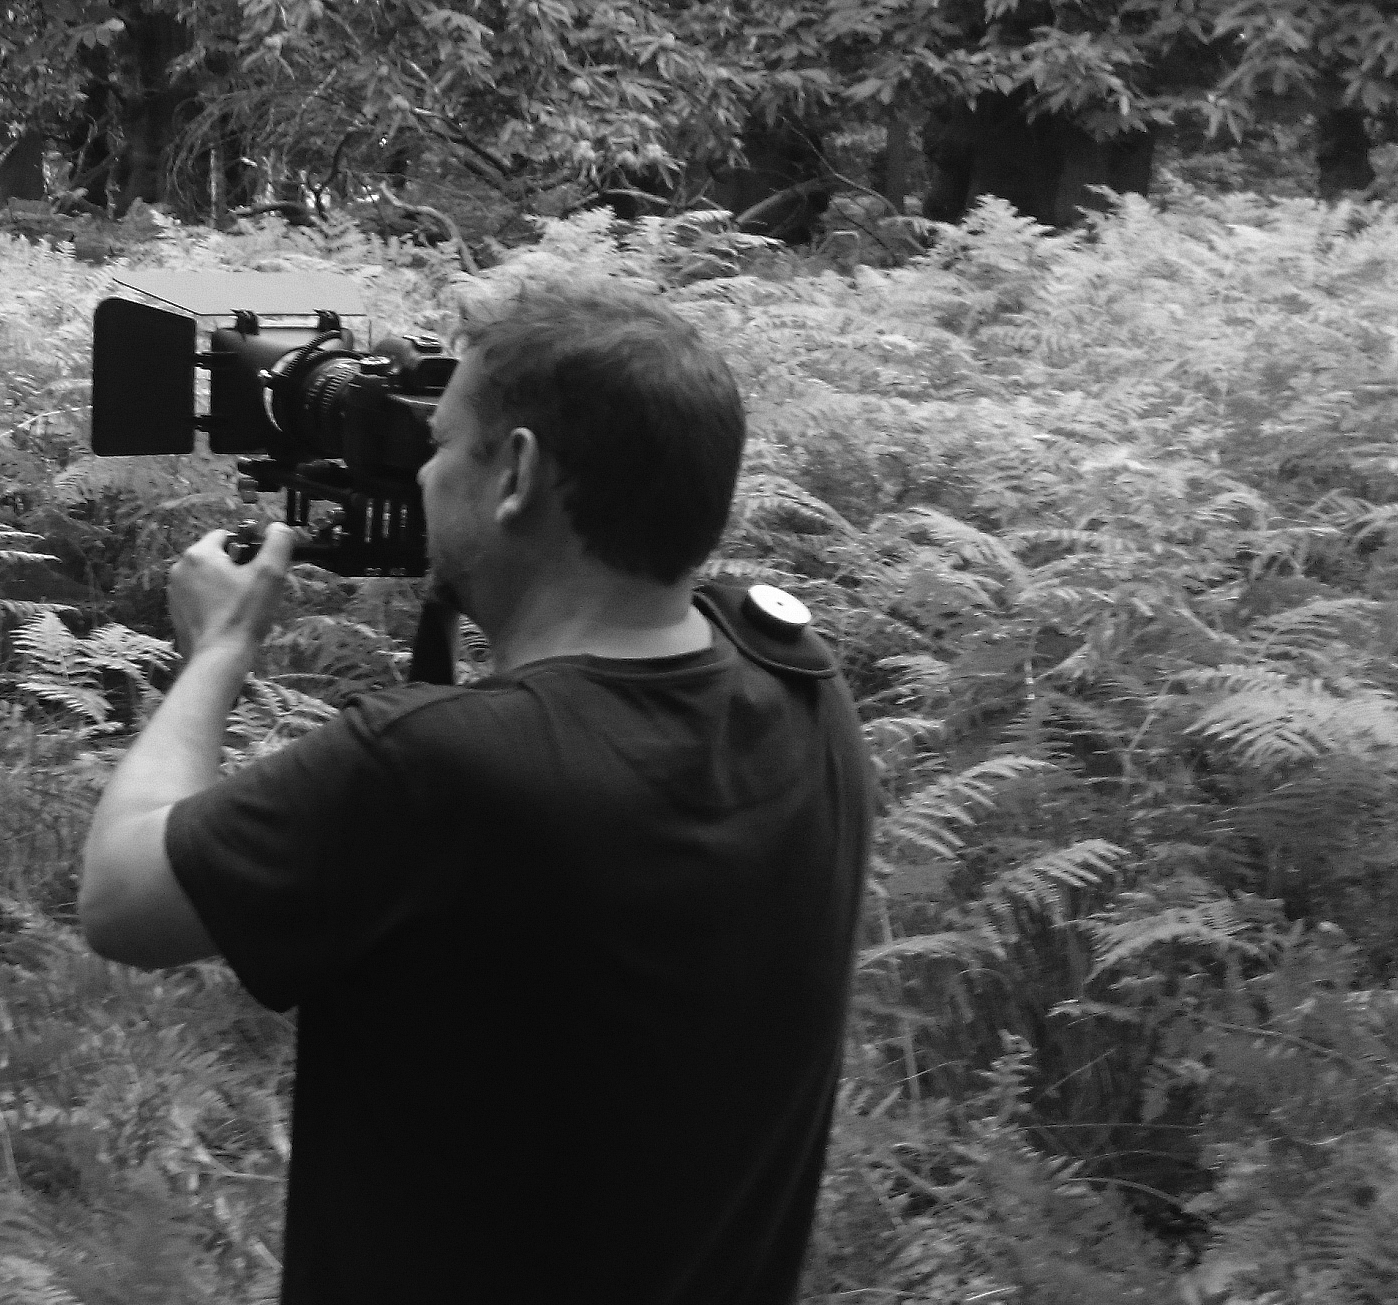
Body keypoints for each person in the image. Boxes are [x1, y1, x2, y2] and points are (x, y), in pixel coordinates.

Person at [77, 277, 876, 1304]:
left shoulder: (443, 770)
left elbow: (120, 896)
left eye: (438, 444)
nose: (417, 476)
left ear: (518, 475)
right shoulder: (803, 689)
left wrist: (219, 650)